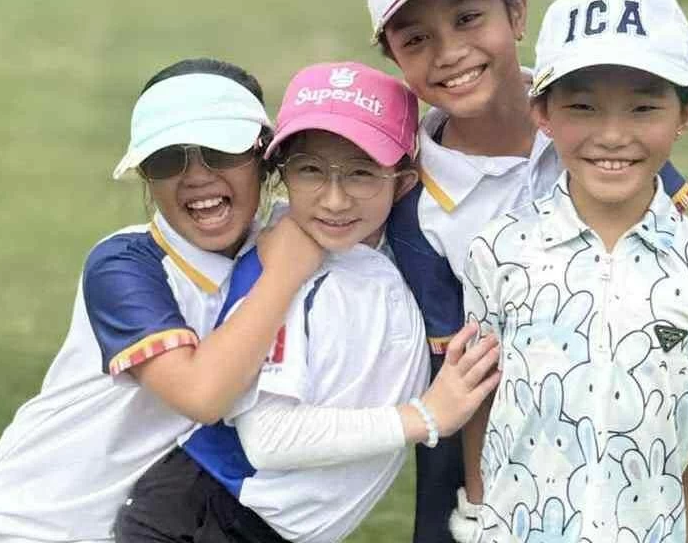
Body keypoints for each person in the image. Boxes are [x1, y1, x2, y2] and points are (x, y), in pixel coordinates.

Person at [367, 0, 688, 540]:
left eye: (468, 18)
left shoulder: (601, 110)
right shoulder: (403, 200)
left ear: (516, 13)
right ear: (393, 56)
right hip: (474, 473)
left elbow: (664, 316)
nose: (451, 51)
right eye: (416, 38)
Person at [114, 62, 502, 543]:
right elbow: (269, 438)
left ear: (402, 180)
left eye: (360, 173)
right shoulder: (287, 268)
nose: (334, 200)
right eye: (311, 170)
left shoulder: (399, 257)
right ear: (282, 174)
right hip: (204, 519)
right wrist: (425, 417)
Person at [0, 58, 324, 543]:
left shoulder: (285, 236)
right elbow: (201, 395)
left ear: (263, 155)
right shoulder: (124, 263)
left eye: (220, 150)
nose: (195, 175)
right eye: (167, 159)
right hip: (34, 523)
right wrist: (286, 273)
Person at [459, 0, 688, 543]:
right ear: (541, 110)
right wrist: (479, 511)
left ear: (686, 113)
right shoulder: (499, 248)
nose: (613, 136)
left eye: (643, 108)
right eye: (583, 107)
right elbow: (480, 398)